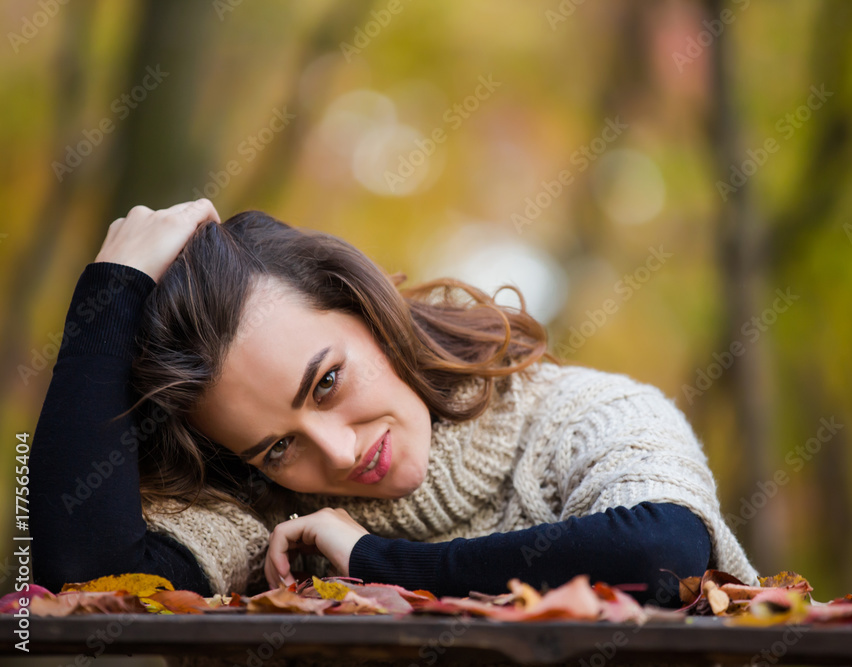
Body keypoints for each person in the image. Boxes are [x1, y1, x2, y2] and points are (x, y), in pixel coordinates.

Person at [29, 200, 758, 607]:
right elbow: (88, 584)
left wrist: (374, 559)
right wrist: (109, 294)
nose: (339, 453)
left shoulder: (578, 417)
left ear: (368, 309)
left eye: (326, 382)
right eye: (278, 444)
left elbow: (664, 551)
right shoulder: (263, 517)